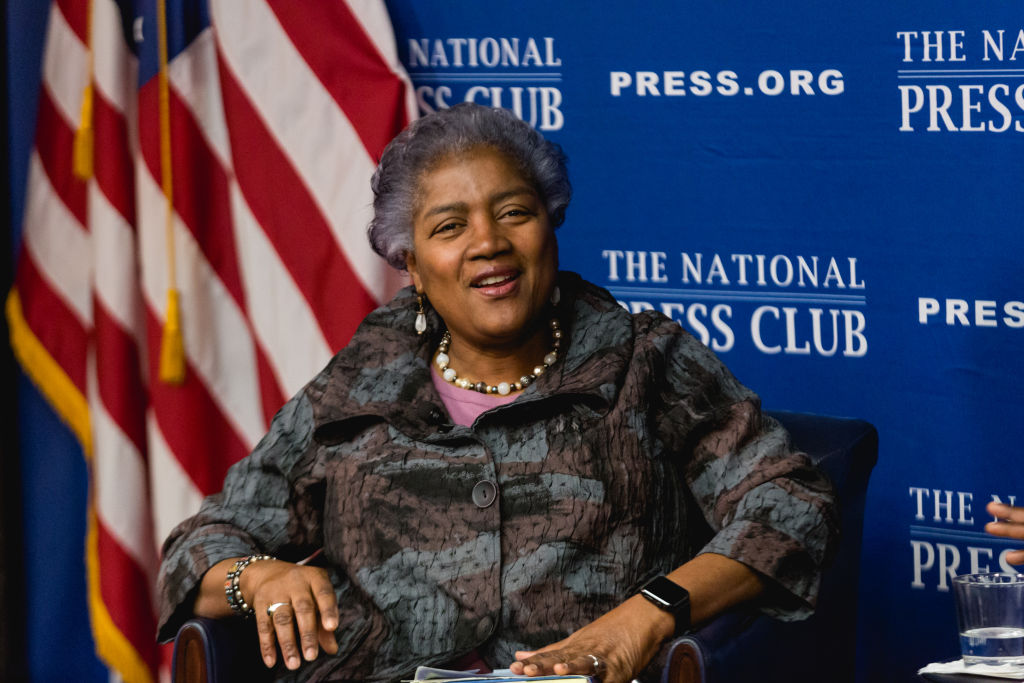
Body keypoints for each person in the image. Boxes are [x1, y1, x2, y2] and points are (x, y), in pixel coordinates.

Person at [157, 102, 838, 683]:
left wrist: (646, 615)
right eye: (450, 227)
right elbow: (201, 545)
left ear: (551, 223)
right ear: (414, 266)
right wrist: (258, 577)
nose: (488, 242)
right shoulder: (360, 381)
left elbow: (789, 508)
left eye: (514, 211)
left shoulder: (645, 360)